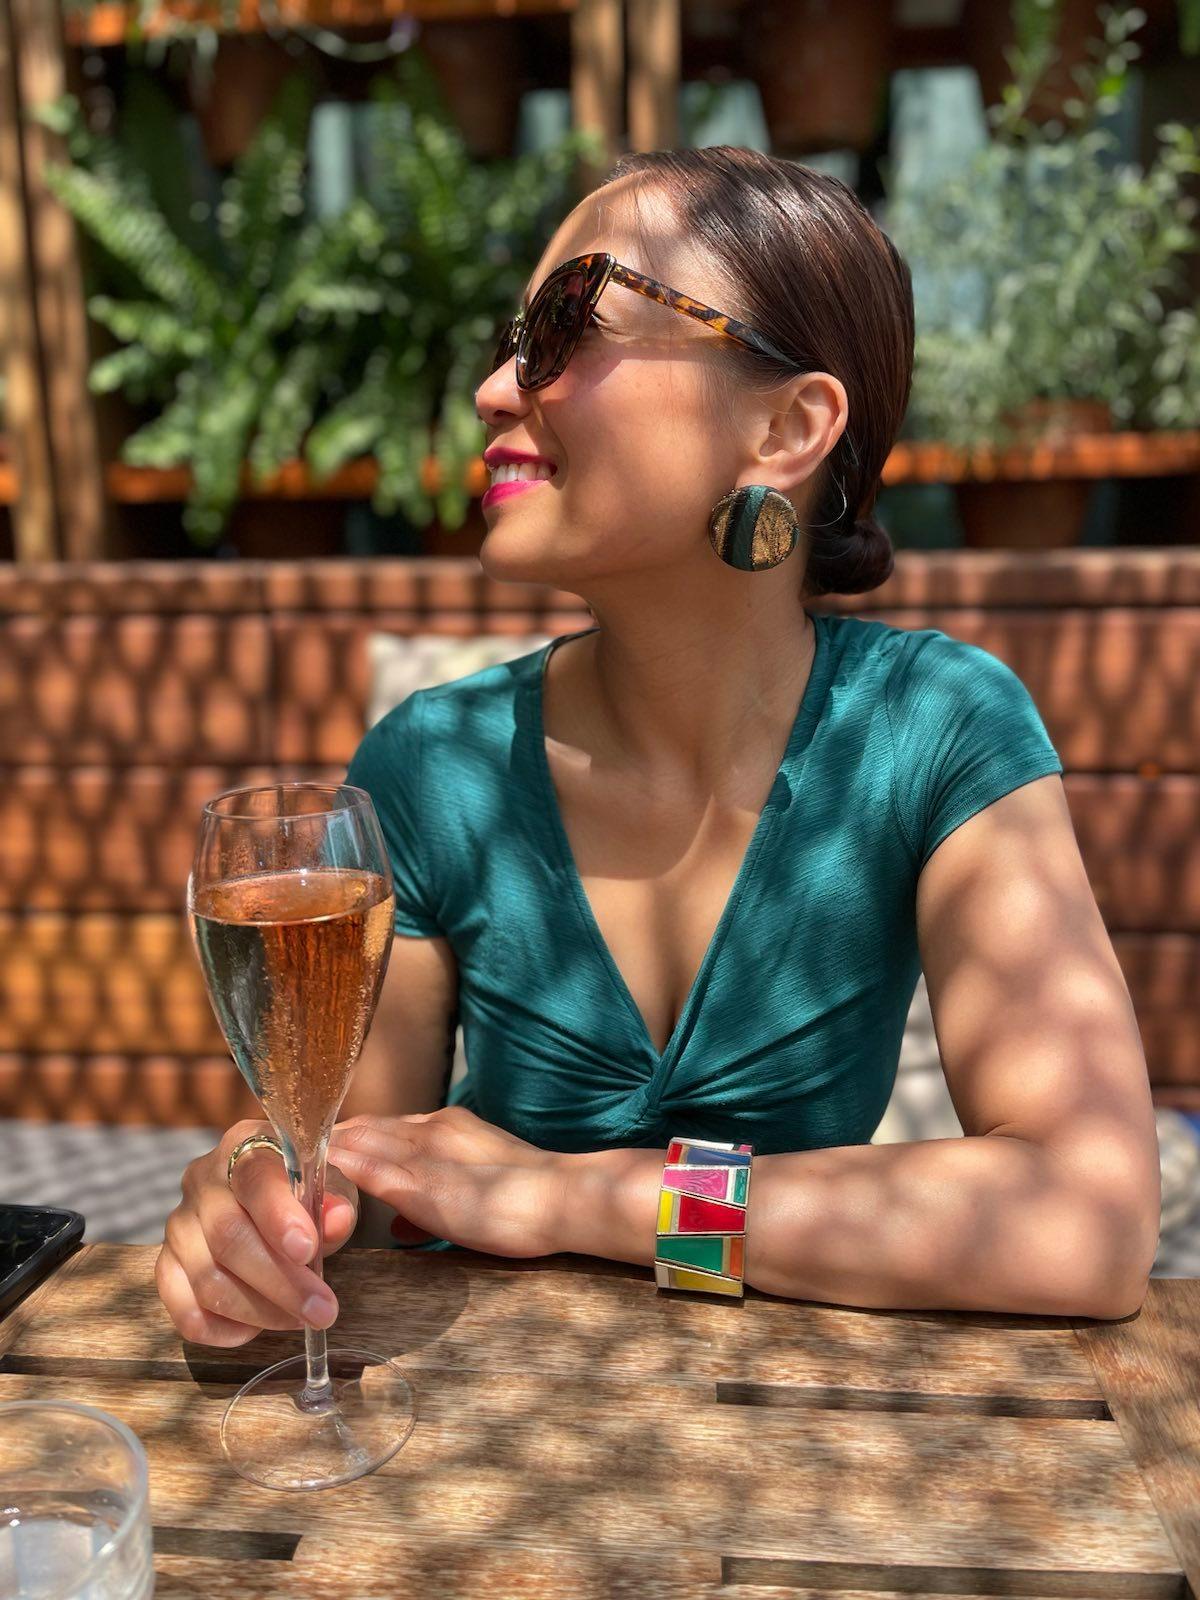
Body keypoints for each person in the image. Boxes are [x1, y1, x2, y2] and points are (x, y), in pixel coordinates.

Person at [156, 147, 1160, 1345]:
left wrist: (583, 1197)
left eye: (565, 328)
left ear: (788, 424)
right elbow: (359, 1174)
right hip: (480, 1432)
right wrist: (253, 1204)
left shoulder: (935, 729)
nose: (492, 389)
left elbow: (1088, 1221)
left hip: (808, 1440)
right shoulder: (432, 764)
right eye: (510, 339)